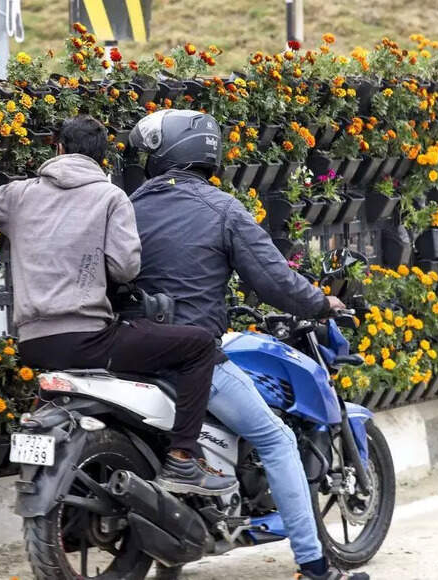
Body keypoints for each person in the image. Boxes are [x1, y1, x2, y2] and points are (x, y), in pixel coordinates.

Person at [127, 109, 366, 580]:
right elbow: (275, 281)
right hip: (192, 357)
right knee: (277, 440)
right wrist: (323, 303)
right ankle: (316, 567)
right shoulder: (223, 209)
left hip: (129, 351)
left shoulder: (128, 206)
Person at [0, 114, 236, 496]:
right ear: (103, 159)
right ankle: (182, 460)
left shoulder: (21, 195)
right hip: (88, 341)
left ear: (57, 149)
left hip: (33, 343)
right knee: (198, 346)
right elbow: (126, 268)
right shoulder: (110, 197)